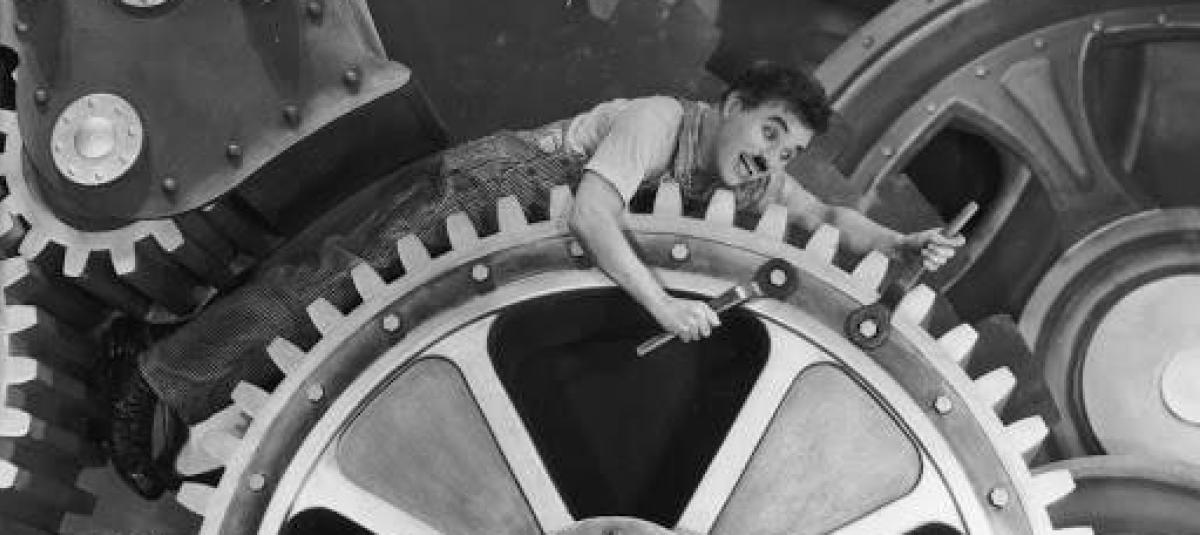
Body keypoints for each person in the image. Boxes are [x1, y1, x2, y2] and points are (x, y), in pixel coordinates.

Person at [106, 61, 963, 498]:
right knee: (318, 294)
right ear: (734, 105)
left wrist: (900, 241)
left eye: (788, 150)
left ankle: (193, 391)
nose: (772, 158)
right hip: (480, 195)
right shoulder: (660, 122)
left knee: (338, 330)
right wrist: (664, 303)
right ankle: (154, 379)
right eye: (770, 131)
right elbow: (592, 213)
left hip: (504, 241)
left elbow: (827, 216)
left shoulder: (745, 175)